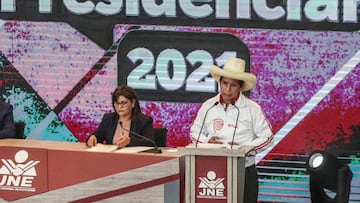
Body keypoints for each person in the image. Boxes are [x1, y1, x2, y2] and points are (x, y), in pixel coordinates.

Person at [190, 57, 274, 203]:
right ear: (220, 83)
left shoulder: (252, 108)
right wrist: (206, 142)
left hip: (244, 169)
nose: (227, 89)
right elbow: (194, 132)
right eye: (224, 83)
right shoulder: (209, 105)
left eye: (233, 85)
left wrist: (244, 149)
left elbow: (267, 137)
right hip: (213, 168)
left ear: (240, 87)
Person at [86, 85, 155, 149]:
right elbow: (97, 136)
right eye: (116, 103)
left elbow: (150, 143)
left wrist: (130, 141)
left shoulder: (144, 121)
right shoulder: (108, 118)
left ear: (133, 103)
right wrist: (92, 138)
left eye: (123, 103)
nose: (119, 107)